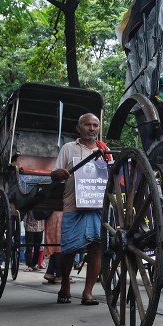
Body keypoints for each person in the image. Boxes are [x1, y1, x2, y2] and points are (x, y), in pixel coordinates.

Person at [51, 113, 110, 305]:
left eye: (95, 125)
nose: (92, 128)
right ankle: (65, 283)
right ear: (79, 128)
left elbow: (112, 175)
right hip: (73, 205)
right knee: (68, 249)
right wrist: (58, 173)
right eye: (87, 124)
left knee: (96, 247)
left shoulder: (104, 150)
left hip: (97, 205)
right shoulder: (68, 148)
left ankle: (88, 292)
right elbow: (55, 174)